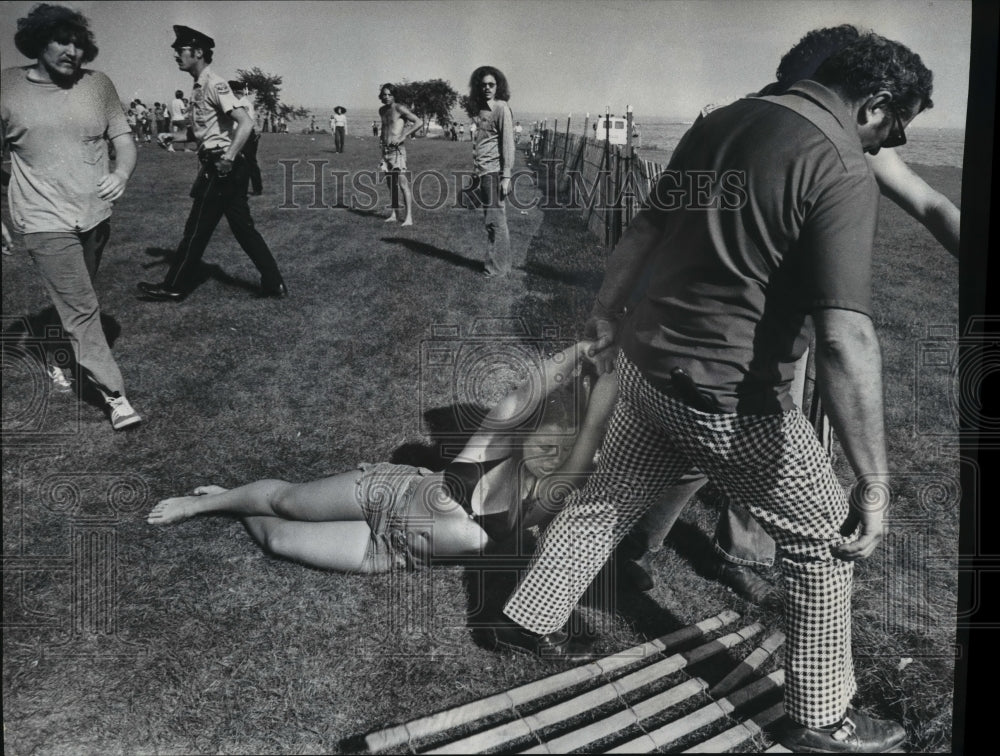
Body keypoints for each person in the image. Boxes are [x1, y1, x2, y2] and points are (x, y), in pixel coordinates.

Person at [496, 33, 934, 753]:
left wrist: (606, 311)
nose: (899, 138)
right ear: (876, 101)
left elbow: (646, 227)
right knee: (825, 540)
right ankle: (822, 719)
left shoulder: (722, 121)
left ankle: (525, 618)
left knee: (611, 496)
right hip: (729, 398)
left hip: (647, 365)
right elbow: (844, 341)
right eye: (899, 122)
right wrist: (875, 481)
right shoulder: (840, 167)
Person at [620, 24, 962, 603]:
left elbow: (931, 203)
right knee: (751, 442)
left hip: (755, 325)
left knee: (707, 439)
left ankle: (685, 548)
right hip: (749, 327)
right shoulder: (792, 124)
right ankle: (711, 552)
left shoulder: (790, 122)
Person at [148, 341, 613, 579]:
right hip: (386, 493)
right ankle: (204, 503)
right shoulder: (490, 450)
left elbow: (591, 432)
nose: (550, 456)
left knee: (278, 540)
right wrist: (582, 350)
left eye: (561, 452)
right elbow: (525, 392)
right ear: (526, 433)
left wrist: (607, 381)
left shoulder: (546, 500)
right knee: (288, 501)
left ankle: (237, 508)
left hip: (392, 552)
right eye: (544, 441)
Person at [1, 2, 142, 430]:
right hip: (43, 219)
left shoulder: (98, 86)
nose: (73, 52)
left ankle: (51, 351)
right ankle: (115, 396)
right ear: (38, 40)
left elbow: (126, 141)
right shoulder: (6, 87)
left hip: (96, 215)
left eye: (80, 44)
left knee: (77, 300)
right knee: (83, 308)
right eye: (63, 40)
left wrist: (120, 172)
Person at [137, 26, 286, 302]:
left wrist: (228, 158)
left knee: (196, 229)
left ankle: (175, 286)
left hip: (222, 167)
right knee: (243, 229)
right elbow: (202, 132)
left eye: (180, 50)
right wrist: (175, 136)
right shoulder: (198, 89)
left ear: (198, 52)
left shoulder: (214, 84)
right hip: (221, 164)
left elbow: (246, 122)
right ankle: (274, 283)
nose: (175, 54)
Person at [468, 66, 515, 278]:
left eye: (491, 85)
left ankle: (497, 268)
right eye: (484, 84)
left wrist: (506, 176)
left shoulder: (501, 108)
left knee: (496, 221)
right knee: (491, 220)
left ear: (498, 86)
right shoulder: (481, 110)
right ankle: (500, 265)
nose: (487, 88)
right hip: (483, 171)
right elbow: (481, 143)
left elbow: (507, 143)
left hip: (494, 173)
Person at [378, 83, 421, 226]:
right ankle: (395, 214)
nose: (387, 97)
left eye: (390, 94)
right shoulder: (382, 110)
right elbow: (385, 129)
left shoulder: (399, 108)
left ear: (394, 95)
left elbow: (418, 122)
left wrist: (404, 136)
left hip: (397, 152)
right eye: (384, 94)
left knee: (403, 185)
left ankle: (409, 218)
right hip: (385, 151)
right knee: (391, 185)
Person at [228, 80, 262, 196]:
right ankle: (244, 187)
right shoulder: (243, 102)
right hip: (246, 133)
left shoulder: (242, 104)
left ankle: (257, 188)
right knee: (243, 161)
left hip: (246, 134)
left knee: (249, 161)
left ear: (234, 91)